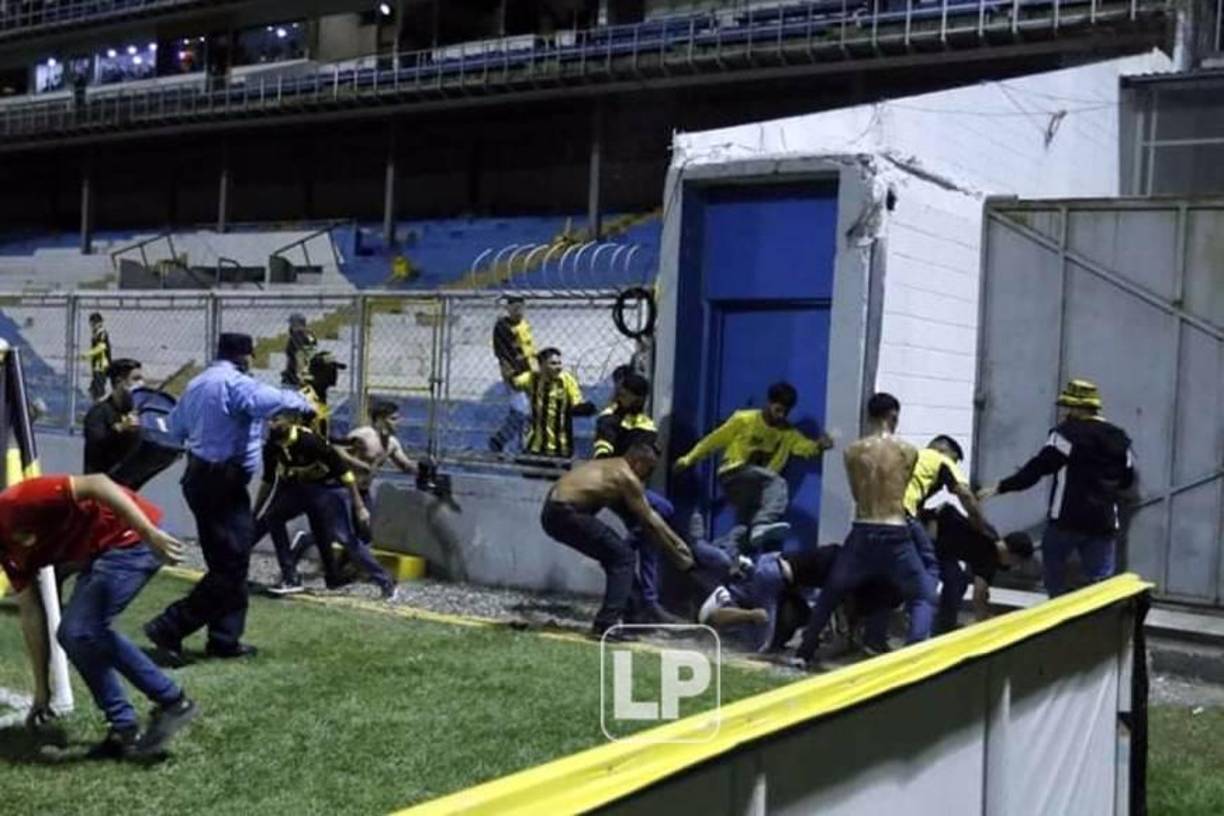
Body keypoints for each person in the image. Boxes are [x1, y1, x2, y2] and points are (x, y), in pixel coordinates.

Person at [143, 333, 311, 664]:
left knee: (230, 561)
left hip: (200, 476)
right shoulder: (237, 384)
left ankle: (224, 638)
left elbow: (175, 429)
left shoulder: (196, 384)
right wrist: (302, 401)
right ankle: (170, 626)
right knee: (231, 566)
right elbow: (271, 401)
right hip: (223, 481)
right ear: (245, 357)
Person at [1, 474, 197, 758]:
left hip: (134, 539)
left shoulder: (17, 502)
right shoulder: (8, 554)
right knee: (74, 633)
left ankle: (172, 702)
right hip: (101, 552)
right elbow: (31, 614)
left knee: (83, 630)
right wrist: (42, 690)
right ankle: (124, 729)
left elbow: (98, 483)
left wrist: (148, 532)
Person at [791, 393, 938, 669]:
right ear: (893, 415)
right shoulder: (908, 451)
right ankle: (914, 656)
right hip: (895, 530)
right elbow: (901, 489)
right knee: (922, 595)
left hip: (863, 528)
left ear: (870, 416)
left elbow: (858, 494)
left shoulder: (852, 452)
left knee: (832, 591)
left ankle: (804, 651)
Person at [978, 379, 1135, 597]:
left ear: (1078, 408)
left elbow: (1039, 467)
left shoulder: (1066, 434)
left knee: (1055, 578)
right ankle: (1097, 624)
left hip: (1067, 520)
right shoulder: (1121, 439)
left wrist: (1001, 486)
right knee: (1100, 586)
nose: (1065, 413)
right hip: (1104, 522)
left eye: (1068, 408)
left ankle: (1057, 616)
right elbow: (1127, 480)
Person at [540, 444, 694, 639]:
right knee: (623, 558)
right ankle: (606, 625)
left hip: (553, 512)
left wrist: (673, 543)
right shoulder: (626, 476)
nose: (649, 475)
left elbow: (633, 517)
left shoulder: (606, 467)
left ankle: (636, 619)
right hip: (566, 513)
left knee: (615, 557)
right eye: (649, 468)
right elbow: (650, 519)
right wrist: (679, 551)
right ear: (638, 462)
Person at [674, 382, 834, 553]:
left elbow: (803, 447)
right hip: (734, 473)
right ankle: (762, 523)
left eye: (785, 413)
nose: (781, 416)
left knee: (743, 530)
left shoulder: (787, 433)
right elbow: (714, 440)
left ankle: (725, 556)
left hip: (754, 489)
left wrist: (818, 446)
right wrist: (688, 459)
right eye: (778, 410)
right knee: (778, 484)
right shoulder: (744, 420)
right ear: (769, 402)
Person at [253, 409, 397, 600]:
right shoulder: (272, 446)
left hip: (329, 491)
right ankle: (290, 577)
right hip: (303, 489)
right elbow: (268, 480)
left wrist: (359, 506)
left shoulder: (310, 442)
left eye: (277, 420)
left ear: (291, 422)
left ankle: (385, 580)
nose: (272, 424)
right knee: (273, 516)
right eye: (270, 420)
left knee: (344, 537)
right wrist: (256, 510)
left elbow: (344, 472)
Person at [928, 505, 1035, 633]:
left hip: (940, 528)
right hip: (932, 536)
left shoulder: (992, 535)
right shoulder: (990, 558)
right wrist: (983, 624)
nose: (1014, 567)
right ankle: (941, 629)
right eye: (1017, 562)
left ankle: (944, 624)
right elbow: (978, 595)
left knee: (957, 581)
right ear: (1014, 556)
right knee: (954, 582)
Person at [515, 347, 596, 459]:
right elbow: (514, 381)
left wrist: (585, 409)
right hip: (535, 445)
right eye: (553, 363)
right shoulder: (532, 378)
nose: (558, 367)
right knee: (531, 474)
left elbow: (577, 402)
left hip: (561, 446)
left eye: (559, 363)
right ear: (542, 365)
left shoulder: (566, 380)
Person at [488, 295, 537, 454]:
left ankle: (523, 447)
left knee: (527, 411)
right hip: (515, 374)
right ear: (508, 309)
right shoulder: (503, 326)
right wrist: (509, 374)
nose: (518, 310)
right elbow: (502, 352)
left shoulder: (525, 325)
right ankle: (500, 440)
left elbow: (531, 348)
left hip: (531, 373)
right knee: (522, 411)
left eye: (521, 307)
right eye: (514, 307)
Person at [82, 358, 144, 479]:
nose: (141, 384)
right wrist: (121, 428)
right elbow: (97, 446)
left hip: (127, 484)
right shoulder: (99, 412)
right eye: (136, 379)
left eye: (141, 379)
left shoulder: (136, 412)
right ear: (119, 381)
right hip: (99, 485)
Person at [281, 313, 317, 388]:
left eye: (291, 324)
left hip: (294, 376)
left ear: (295, 324)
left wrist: (301, 376)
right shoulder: (310, 335)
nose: (290, 326)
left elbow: (299, 354)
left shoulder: (296, 335)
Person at [84, 312, 112, 402]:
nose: (92, 325)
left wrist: (88, 354)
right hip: (96, 364)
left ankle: (100, 402)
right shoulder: (95, 333)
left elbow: (101, 347)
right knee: (94, 388)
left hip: (102, 364)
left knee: (99, 388)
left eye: (94, 323)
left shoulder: (102, 333)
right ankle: (95, 400)